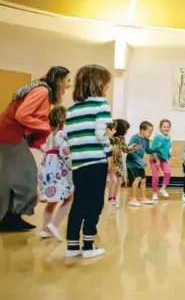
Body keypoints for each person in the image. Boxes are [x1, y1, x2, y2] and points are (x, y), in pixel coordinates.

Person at [0, 66, 71, 232]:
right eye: (68, 81)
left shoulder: (43, 93)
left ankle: (10, 217)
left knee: (14, 178)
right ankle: (10, 218)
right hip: (10, 135)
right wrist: (48, 127)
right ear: (59, 80)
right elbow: (22, 115)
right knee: (26, 175)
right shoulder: (42, 91)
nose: (69, 85)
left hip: (13, 136)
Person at [65, 64, 113, 259]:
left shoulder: (71, 109)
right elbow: (101, 134)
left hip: (78, 163)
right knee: (95, 204)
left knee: (79, 202)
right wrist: (109, 153)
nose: (108, 88)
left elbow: (70, 137)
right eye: (107, 84)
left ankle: (72, 246)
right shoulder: (101, 105)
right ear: (99, 84)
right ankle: (88, 246)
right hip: (96, 162)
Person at [38, 105, 73, 241]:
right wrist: (73, 165)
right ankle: (54, 224)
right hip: (58, 171)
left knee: (51, 202)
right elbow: (65, 152)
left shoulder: (51, 135)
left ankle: (45, 229)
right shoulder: (62, 134)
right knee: (69, 198)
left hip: (47, 170)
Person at [108, 119, 137, 208]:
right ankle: (110, 198)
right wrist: (114, 150)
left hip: (119, 162)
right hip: (112, 161)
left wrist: (133, 147)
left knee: (119, 181)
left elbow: (125, 149)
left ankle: (114, 198)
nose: (126, 131)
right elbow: (108, 147)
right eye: (126, 129)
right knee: (114, 180)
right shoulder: (111, 138)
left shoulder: (121, 139)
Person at [126, 121, 156, 207]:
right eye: (149, 132)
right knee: (137, 178)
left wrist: (157, 148)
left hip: (140, 163)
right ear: (142, 130)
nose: (150, 134)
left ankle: (143, 198)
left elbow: (148, 150)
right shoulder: (135, 138)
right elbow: (129, 149)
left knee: (143, 180)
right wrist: (134, 148)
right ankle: (132, 198)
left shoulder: (146, 140)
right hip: (132, 162)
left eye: (151, 132)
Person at [149, 119, 174, 201]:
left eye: (168, 127)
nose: (166, 128)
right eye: (164, 127)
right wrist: (157, 160)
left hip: (162, 159)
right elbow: (153, 150)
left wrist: (170, 153)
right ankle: (154, 193)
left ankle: (163, 188)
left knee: (168, 172)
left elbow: (168, 147)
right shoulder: (158, 137)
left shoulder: (169, 137)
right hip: (154, 158)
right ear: (160, 128)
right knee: (155, 176)